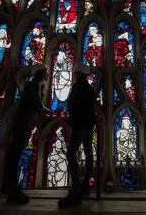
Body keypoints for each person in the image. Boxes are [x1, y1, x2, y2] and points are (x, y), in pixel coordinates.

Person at [5, 64, 48, 204]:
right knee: (15, 153)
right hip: (22, 124)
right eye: (46, 73)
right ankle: (12, 188)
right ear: (41, 73)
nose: (48, 75)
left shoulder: (35, 85)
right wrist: (43, 109)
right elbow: (35, 102)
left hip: (24, 123)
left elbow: (35, 102)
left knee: (15, 153)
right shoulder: (33, 84)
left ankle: (11, 187)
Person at [58, 64, 95, 208]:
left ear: (78, 74)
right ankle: (85, 185)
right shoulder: (90, 87)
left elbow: (71, 104)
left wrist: (72, 114)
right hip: (89, 124)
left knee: (70, 154)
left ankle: (76, 192)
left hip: (80, 125)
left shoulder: (77, 87)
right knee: (89, 153)